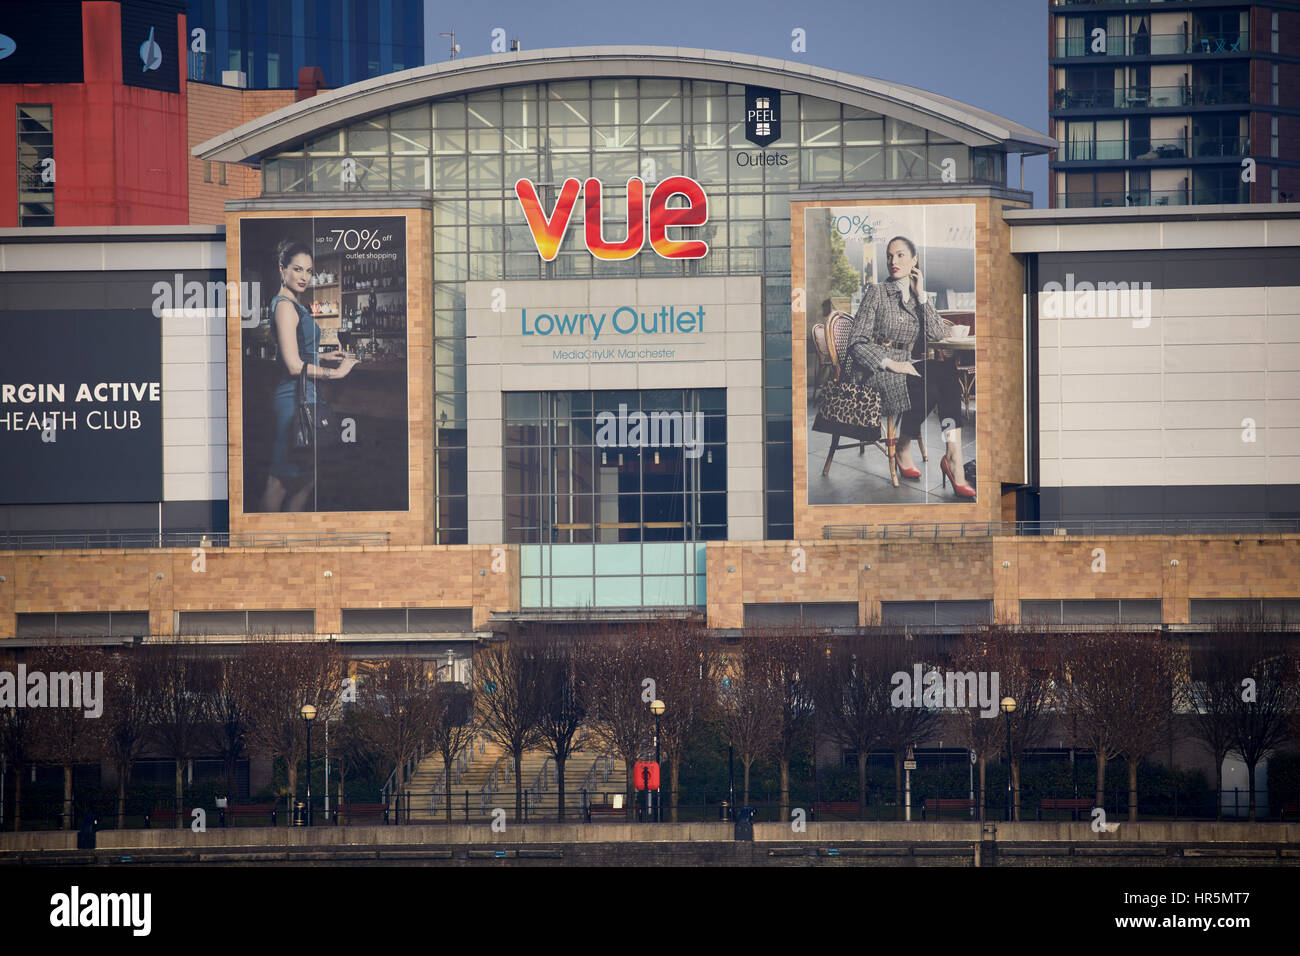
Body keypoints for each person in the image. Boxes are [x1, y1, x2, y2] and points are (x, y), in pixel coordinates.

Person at [845, 235, 974, 498]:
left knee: (946, 374)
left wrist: (922, 295)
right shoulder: (877, 293)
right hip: (877, 371)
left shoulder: (918, 298)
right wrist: (891, 363)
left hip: (910, 366)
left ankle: (952, 455)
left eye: (901, 255)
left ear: (915, 260)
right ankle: (905, 444)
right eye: (890, 256)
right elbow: (856, 343)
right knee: (928, 379)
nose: (894, 261)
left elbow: (939, 333)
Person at [259, 239, 358, 512]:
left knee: (306, 478)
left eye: (309, 271)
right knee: (279, 481)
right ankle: (265, 547)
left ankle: (289, 542)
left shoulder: (296, 305)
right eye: (298, 269)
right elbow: (292, 365)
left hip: (306, 394)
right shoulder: (284, 306)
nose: (305, 277)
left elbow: (300, 353)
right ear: (282, 269)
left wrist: (324, 357)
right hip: (292, 400)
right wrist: (335, 373)